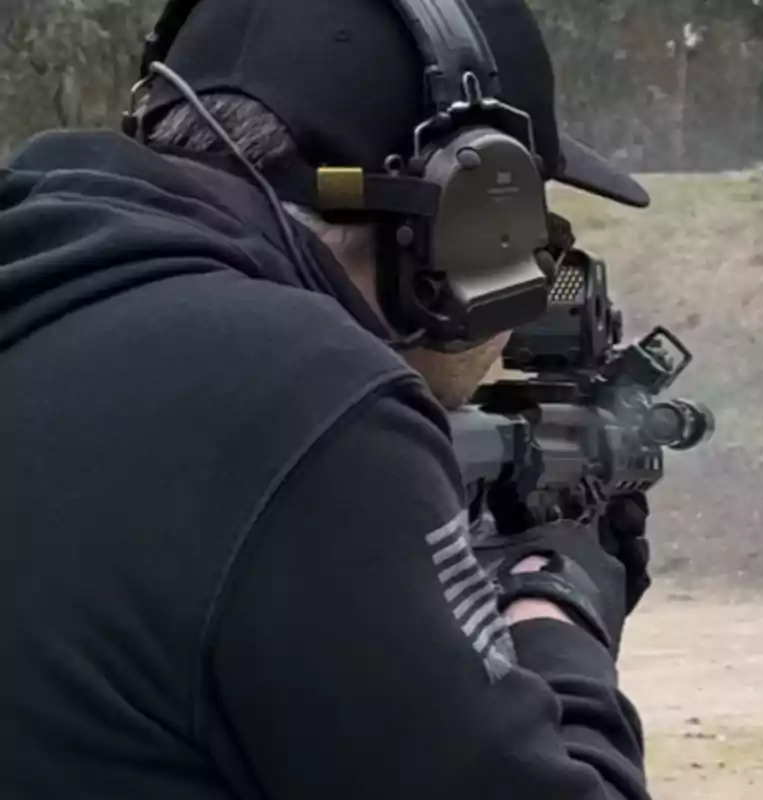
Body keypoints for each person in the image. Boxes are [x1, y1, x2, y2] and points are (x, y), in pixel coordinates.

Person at [0, 0, 659, 797]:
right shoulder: (302, 396)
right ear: (468, 217)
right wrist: (556, 612)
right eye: (524, 239)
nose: (524, 291)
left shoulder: (47, 297)